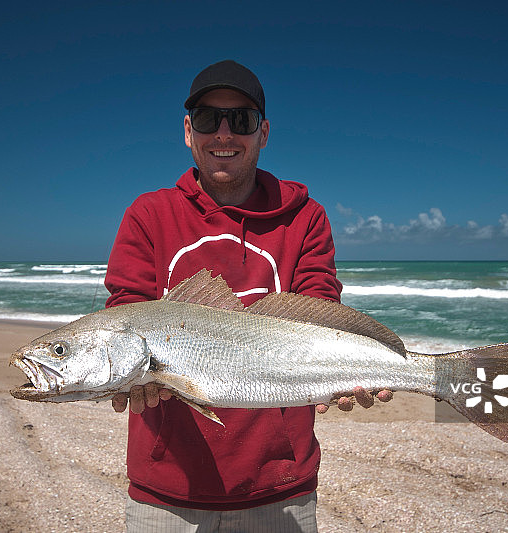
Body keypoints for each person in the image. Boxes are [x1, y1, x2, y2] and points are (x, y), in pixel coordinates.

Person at [105, 59, 389, 532]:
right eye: (207, 119)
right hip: (165, 493)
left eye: (241, 119)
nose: (224, 133)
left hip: (281, 488)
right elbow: (126, 314)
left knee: (487, 392)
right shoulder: (148, 214)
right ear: (188, 131)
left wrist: (355, 366)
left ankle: (498, 390)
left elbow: (320, 307)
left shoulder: (306, 217)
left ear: (263, 133)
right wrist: (129, 377)